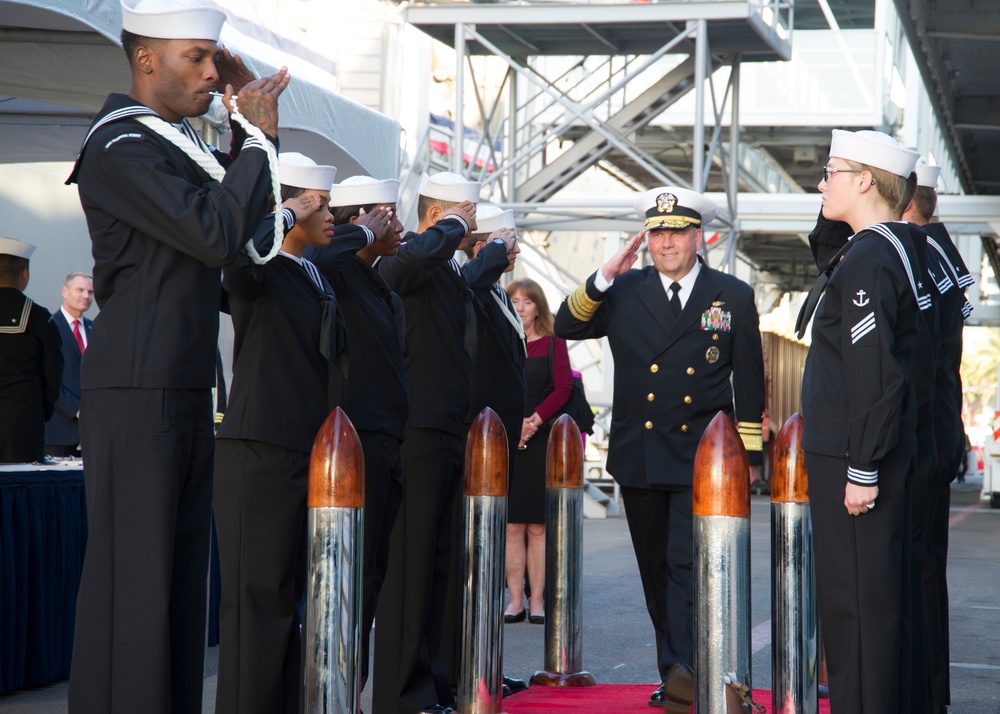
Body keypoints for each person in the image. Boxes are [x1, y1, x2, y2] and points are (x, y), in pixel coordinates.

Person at [66, 0, 290, 710]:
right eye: (196, 56)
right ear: (145, 58)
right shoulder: (121, 144)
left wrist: (247, 144)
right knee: (138, 590)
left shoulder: (173, 144)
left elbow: (244, 243)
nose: (211, 73)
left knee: (177, 591)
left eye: (212, 57)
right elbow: (215, 233)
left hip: (184, 383)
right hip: (137, 386)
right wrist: (253, 141)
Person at [554, 187, 765, 711]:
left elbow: (750, 380)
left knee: (685, 566)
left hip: (702, 457)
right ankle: (674, 669)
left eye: (675, 233)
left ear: (700, 236)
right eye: (656, 234)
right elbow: (565, 324)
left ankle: (686, 670)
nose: (665, 243)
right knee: (654, 569)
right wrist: (606, 274)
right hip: (641, 451)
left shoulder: (731, 295)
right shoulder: (623, 290)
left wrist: (750, 455)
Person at [214, 153, 360, 714]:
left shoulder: (312, 271)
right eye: (319, 205)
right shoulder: (265, 265)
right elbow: (237, 263)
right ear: (293, 207)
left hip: (306, 450)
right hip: (261, 447)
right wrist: (283, 213)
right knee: (259, 602)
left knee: (292, 600)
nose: (330, 215)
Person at [797, 130, 923, 713]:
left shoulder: (871, 255)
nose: (821, 183)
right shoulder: (885, 246)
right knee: (869, 602)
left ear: (865, 180)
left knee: (855, 608)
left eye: (831, 171)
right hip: (860, 448)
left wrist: (863, 467)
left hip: (851, 452)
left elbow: (876, 369)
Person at [373, 172, 478, 714]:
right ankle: (401, 694)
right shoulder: (414, 254)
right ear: (438, 216)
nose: (474, 224)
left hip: (447, 428)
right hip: (417, 429)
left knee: (437, 567)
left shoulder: (447, 266)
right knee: (411, 568)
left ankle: (432, 684)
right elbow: (401, 267)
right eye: (466, 214)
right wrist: (452, 227)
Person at [303, 174, 407, 695]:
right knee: (347, 577)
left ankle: (353, 691)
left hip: (387, 440)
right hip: (353, 442)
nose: (398, 224)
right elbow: (316, 261)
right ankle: (336, 692)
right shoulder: (339, 267)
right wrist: (361, 232)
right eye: (386, 214)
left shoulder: (378, 280)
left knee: (371, 579)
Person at [901, 160, 974, 714]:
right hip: (940, 429)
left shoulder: (921, 255)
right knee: (925, 569)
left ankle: (919, 689)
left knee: (915, 570)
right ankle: (929, 689)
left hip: (922, 435)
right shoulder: (942, 252)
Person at [504, 277, 571, 626]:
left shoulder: (553, 342)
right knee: (512, 525)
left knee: (538, 528)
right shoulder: (503, 339)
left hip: (540, 438)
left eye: (526, 301)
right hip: (509, 438)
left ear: (538, 306)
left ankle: (538, 600)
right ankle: (514, 601)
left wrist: (535, 420)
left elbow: (564, 388)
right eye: (514, 300)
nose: (520, 306)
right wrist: (514, 424)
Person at [0, 238, 63, 464]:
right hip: (22, 425)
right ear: (24, 273)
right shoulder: (39, 317)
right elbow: (53, 374)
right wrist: (40, 413)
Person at [44, 272, 94, 457]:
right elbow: (46, 376)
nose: (86, 296)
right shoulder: (49, 326)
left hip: (92, 432)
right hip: (59, 431)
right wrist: (77, 409)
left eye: (90, 292)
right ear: (65, 291)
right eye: (80, 290)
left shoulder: (95, 328)